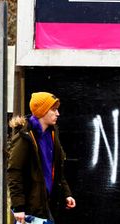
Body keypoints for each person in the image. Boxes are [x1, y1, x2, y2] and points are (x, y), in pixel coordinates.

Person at [8, 92, 76, 223]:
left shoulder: (52, 133)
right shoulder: (25, 137)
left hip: (48, 204)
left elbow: (57, 169)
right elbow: (14, 172)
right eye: (54, 109)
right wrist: (18, 206)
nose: (58, 114)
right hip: (32, 209)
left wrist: (66, 194)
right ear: (42, 111)